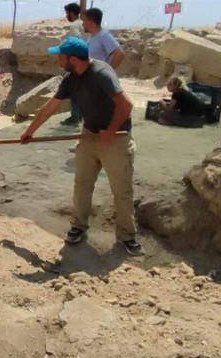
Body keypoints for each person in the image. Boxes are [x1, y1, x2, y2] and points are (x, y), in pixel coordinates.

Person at [20, 37, 142, 256]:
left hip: (116, 139)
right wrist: (29, 132)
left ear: (73, 59)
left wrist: (111, 131)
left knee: (121, 191)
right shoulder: (70, 78)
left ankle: (127, 237)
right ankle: (78, 227)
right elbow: (49, 108)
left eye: (60, 56)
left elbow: (127, 105)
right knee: (82, 184)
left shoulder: (102, 74)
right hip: (89, 135)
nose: (57, 59)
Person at [61, 3, 87, 126]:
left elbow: (76, 40)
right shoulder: (84, 24)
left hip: (77, 62)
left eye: (67, 13)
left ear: (71, 13)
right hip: (87, 60)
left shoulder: (74, 25)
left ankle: (76, 117)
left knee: (74, 89)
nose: (66, 15)